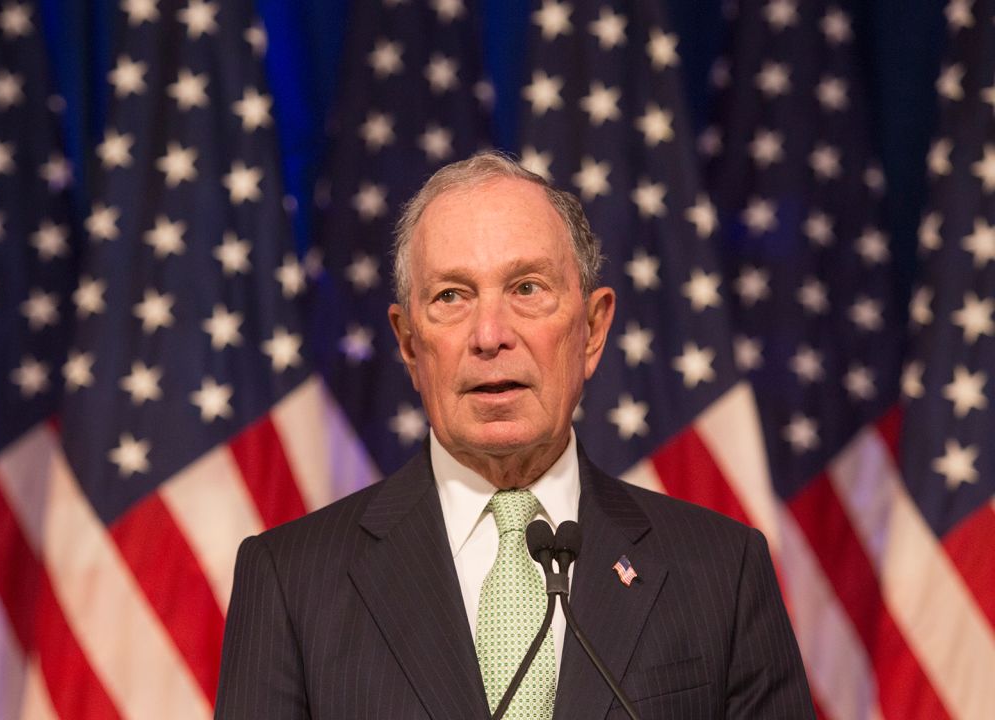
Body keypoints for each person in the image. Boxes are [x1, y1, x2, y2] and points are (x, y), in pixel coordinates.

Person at [214, 152, 815, 719]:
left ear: (593, 330)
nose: (490, 335)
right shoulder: (289, 583)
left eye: (527, 288)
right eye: (452, 296)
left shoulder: (720, 573)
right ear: (408, 344)